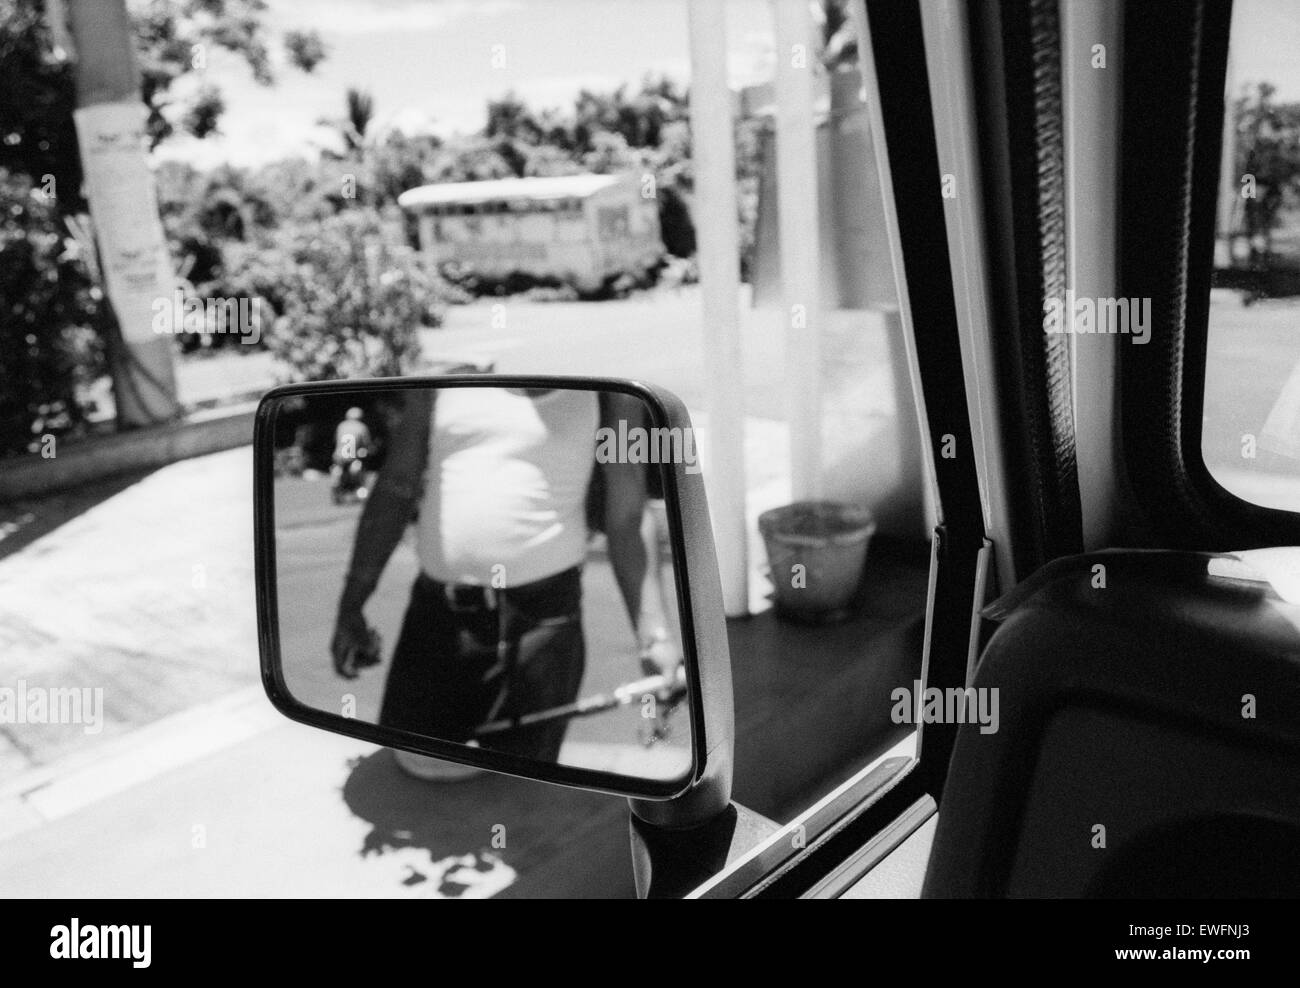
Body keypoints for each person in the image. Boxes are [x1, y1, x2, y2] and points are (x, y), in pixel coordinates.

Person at [330, 385, 677, 766]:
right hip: (436, 619)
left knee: (521, 790)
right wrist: (352, 603)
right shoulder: (442, 383)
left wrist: (654, 636)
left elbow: (627, 513)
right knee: (412, 767)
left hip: (543, 627)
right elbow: (396, 485)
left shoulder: (613, 393)